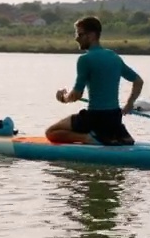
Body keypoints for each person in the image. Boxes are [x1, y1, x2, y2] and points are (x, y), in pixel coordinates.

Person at [46, 16, 144, 145]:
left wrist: (63, 98)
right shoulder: (114, 57)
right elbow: (138, 81)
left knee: (51, 133)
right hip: (114, 117)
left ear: (91, 35)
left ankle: (89, 138)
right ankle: (109, 135)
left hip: (94, 117)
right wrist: (130, 103)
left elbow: (76, 95)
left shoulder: (85, 59)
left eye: (80, 34)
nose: (76, 38)